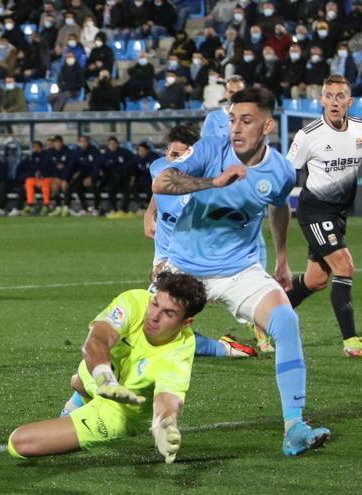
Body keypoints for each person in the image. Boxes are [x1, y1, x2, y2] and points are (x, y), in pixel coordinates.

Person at [151, 87, 331, 455]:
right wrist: (210, 182)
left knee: (285, 322)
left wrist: (281, 258)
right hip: (185, 267)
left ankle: (294, 427)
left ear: (266, 125)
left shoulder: (280, 170)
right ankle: (76, 407)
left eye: (246, 121)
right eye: (232, 119)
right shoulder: (211, 150)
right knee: (144, 337)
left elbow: (279, 206)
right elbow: (162, 182)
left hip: (239, 270)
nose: (236, 128)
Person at [7, 272, 207, 464]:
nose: (154, 316)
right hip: (103, 377)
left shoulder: (179, 353)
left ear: (186, 322)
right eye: (155, 304)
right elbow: (97, 339)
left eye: (168, 314)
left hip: (122, 412)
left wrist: (162, 425)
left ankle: (81, 409)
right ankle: (83, 392)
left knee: (19, 443)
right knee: (83, 374)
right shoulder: (135, 301)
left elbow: (167, 400)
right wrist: (105, 379)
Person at [143, 123, 257, 359]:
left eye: (182, 155)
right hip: (166, 248)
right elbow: (161, 190)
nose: (175, 161)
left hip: (189, 253)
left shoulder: (204, 183)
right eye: (172, 154)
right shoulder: (159, 168)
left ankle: (228, 345)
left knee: (154, 322)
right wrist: (149, 213)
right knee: (158, 322)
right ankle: (231, 341)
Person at [284, 75, 362, 358]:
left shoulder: (359, 130)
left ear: (349, 102)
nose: (334, 101)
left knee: (316, 280)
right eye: (329, 95)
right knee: (344, 265)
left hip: (338, 214)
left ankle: (264, 318)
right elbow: (285, 172)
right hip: (314, 210)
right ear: (322, 100)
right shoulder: (308, 135)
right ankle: (351, 341)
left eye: (340, 96)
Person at [200, 75, 271, 352]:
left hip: (247, 193)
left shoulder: (256, 122)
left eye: (239, 91)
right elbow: (206, 154)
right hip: (219, 196)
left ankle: (262, 337)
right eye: (230, 91)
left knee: (255, 259)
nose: (234, 94)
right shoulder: (213, 121)